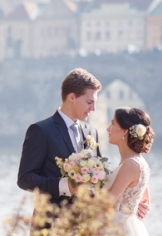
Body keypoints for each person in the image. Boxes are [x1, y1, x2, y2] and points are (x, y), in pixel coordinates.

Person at [17, 69, 151, 227]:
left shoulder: (91, 132)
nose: (93, 108)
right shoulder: (41, 131)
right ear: (72, 97)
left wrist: (131, 197)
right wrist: (65, 186)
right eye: (89, 102)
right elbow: (25, 179)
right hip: (53, 225)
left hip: (88, 227)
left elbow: (101, 179)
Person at [104, 107, 157, 236]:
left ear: (125, 131)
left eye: (113, 123)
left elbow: (106, 202)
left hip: (118, 231)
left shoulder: (131, 164)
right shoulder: (134, 163)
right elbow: (144, 198)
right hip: (124, 225)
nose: (108, 128)